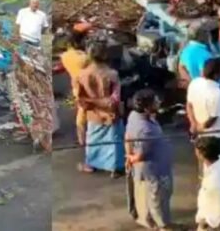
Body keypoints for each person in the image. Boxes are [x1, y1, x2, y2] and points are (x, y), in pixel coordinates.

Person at [74, 40, 125, 178]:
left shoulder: (81, 75)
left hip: (93, 114)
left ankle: (91, 164)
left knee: (94, 140)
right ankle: (115, 168)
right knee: (114, 141)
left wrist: (91, 103)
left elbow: (79, 98)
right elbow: (115, 99)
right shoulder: (112, 74)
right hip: (111, 114)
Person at [125, 89, 173, 230]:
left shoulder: (134, 116)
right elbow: (141, 155)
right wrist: (132, 158)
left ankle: (147, 220)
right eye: (155, 102)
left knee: (146, 196)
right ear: (146, 108)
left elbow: (127, 136)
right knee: (159, 198)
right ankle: (162, 225)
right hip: (155, 169)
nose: (158, 103)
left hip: (145, 169)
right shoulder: (146, 129)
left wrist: (128, 156)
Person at [187, 58, 220, 158]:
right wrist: (200, 128)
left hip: (203, 134)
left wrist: (193, 124)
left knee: (205, 162)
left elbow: (189, 105)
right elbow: (211, 120)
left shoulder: (194, 83)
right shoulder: (216, 94)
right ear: (216, 74)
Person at [194, 136, 220, 231]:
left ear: (201, 154)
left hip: (212, 223)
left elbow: (210, 206)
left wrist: (204, 222)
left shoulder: (213, 184)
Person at [61, 31, 90, 145]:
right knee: (87, 112)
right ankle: (84, 139)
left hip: (76, 85)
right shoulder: (84, 58)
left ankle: (81, 138)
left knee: (81, 112)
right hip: (87, 86)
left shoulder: (65, 56)